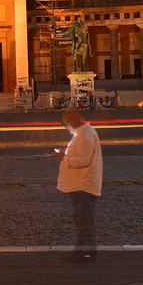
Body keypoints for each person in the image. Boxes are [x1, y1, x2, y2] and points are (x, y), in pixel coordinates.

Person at [52, 110, 102, 263]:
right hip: (80, 185)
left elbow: (83, 161)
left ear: (75, 120)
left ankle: (86, 253)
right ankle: (83, 251)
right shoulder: (83, 134)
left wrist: (64, 157)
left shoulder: (85, 136)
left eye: (66, 123)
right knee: (82, 219)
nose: (66, 127)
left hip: (83, 185)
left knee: (84, 220)